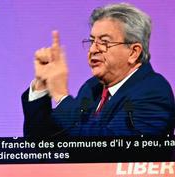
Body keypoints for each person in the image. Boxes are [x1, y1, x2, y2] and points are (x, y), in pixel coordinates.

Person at [22, 4, 175, 138]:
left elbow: (110, 146)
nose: (93, 50)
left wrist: (61, 95)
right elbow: (43, 140)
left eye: (104, 42)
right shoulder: (92, 88)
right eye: (92, 41)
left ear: (133, 52)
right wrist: (42, 85)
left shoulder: (153, 92)